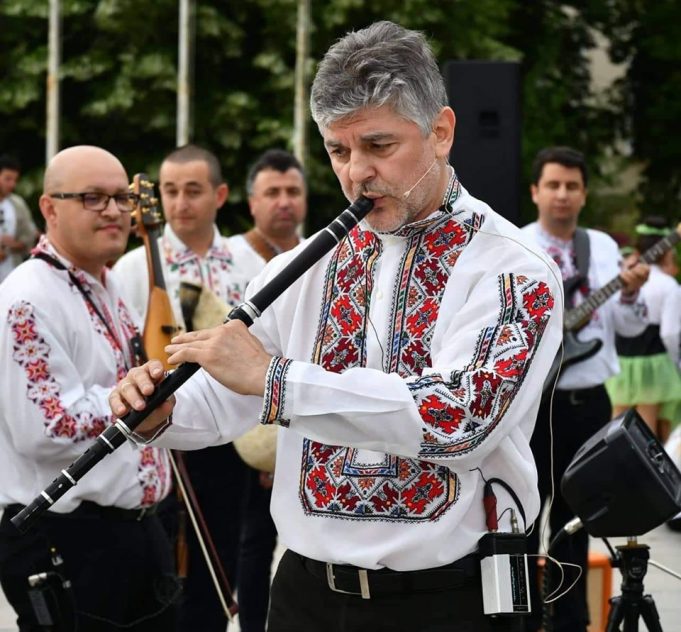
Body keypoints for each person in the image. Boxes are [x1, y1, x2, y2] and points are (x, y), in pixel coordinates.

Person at [109, 21, 563, 632]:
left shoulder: (514, 269)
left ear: (441, 132)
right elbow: (225, 400)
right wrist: (161, 412)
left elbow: (462, 418)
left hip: (447, 600)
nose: (356, 174)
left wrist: (276, 382)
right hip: (304, 593)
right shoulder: (300, 266)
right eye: (338, 151)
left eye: (379, 147)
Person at [0, 145, 177, 631]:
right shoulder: (28, 298)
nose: (115, 211)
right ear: (49, 208)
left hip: (127, 534)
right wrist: (140, 396)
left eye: (121, 198)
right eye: (93, 198)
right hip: (70, 539)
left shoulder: (104, 281)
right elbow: (47, 426)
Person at [113, 144, 262, 631]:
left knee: (224, 554)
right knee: (164, 562)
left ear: (219, 195)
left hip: (233, 433)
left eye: (193, 191)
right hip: (164, 431)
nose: (180, 204)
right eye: (170, 191)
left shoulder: (248, 261)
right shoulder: (135, 268)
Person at [521, 146, 650, 632]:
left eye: (572, 186)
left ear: (584, 194)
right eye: (553, 185)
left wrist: (633, 292)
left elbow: (629, 328)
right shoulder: (516, 244)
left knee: (576, 522)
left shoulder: (601, 248)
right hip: (535, 406)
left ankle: (571, 621)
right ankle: (523, 618)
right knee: (523, 517)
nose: (562, 195)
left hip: (589, 403)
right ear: (535, 192)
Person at [228, 148, 307, 632]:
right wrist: (260, 445)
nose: (284, 202)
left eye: (293, 192)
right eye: (272, 192)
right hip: (240, 431)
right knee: (251, 545)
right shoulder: (231, 259)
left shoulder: (322, 253)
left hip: (301, 423)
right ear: (251, 201)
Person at [606, 217, 681, 441]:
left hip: (623, 359)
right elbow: (669, 333)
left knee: (615, 423)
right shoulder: (669, 285)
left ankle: (613, 468)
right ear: (668, 253)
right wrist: (676, 362)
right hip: (653, 361)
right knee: (647, 428)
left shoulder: (625, 278)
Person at [0, 154, 39, 283]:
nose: (12, 184)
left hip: (11, 274)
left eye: (15, 180)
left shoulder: (18, 203)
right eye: (7, 179)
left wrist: (16, 244)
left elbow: (29, 235)